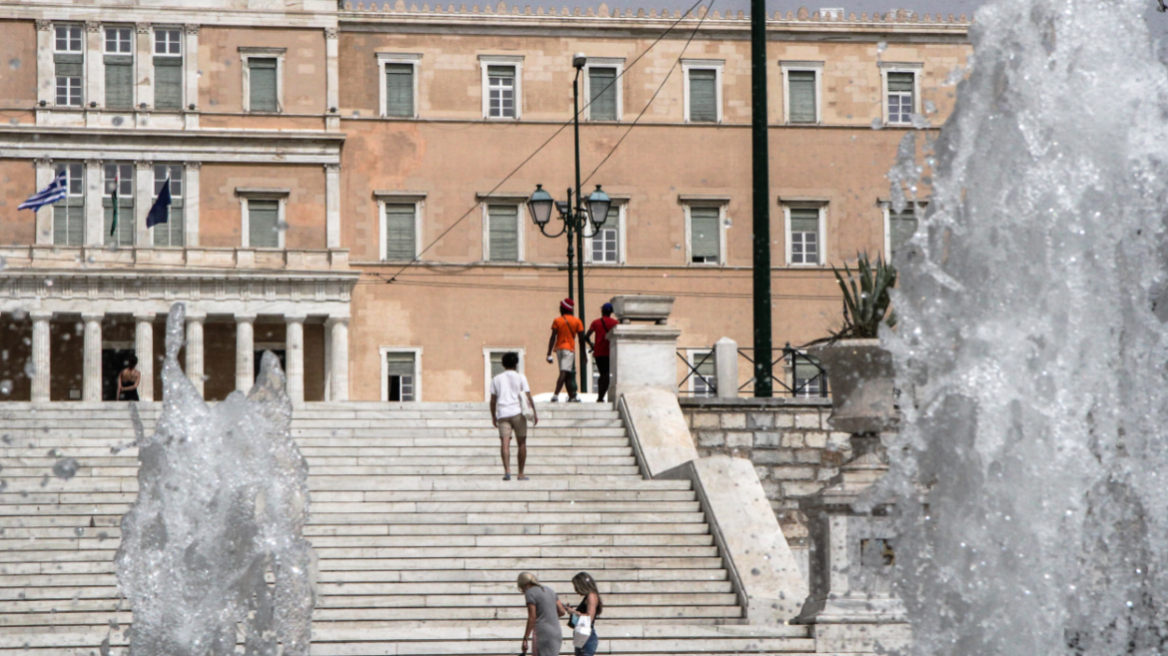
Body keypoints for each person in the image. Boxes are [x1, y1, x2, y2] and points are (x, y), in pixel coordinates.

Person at [489, 352, 538, 481]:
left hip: (503, 414)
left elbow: (493, 400)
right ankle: (521, 473)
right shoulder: (521, 377)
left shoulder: (496, 379)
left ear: (503, 364)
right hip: (518, 413)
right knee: (521, 443)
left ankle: (507, 471)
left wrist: (493, 416)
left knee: (505, 444)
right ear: (516, 363)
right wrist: (534, 412)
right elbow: (528, 396)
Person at [518, 571, 569, 656]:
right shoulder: (550, 590)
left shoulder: (530, 592)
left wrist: (525, 638)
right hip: (556, 632)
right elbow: (562, 611)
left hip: (542, 633)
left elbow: (532, 617)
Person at [546, 298, 584, 402]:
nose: (559, 308)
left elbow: (553, 337)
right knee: (564, 373)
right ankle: (555, 395)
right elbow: (581, 339)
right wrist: (583, 354)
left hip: (559, 349)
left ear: (564, 308)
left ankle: (571, 397)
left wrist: (549, 353)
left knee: (565, 373)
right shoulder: (577, 321)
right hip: (569, 349)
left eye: (560, 307)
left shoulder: (557, 320)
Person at [584, 303, 618, 403]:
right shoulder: (615, 323)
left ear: (602, 311)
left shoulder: (596, 322)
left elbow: (586, 336)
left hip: (598, 352)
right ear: (611, 312)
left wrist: (591, 345)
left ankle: (600, 396)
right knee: (606, 374)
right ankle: (600, 397)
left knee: (602, 374)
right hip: (609, 352)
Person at [568, 571, 603, 656]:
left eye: (576, 586)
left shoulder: (591, 596)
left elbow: (589, 618)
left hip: (587, 636)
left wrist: (573, 612)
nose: (575, 589)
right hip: (582, 636)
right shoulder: (590, 596)